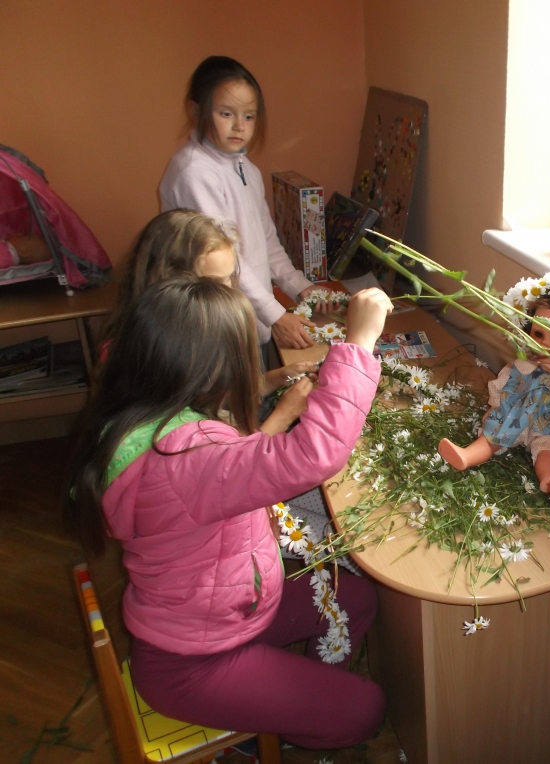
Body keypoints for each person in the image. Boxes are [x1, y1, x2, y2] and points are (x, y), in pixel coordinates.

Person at [64, 276, 393, 750]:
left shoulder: (142, 422)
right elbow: (313, 454)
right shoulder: (185, 455)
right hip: (195, 664)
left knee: (356, 598)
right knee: (365, 709)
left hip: (228, 614)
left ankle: (293, 704)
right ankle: (278, 730)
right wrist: (359, 344)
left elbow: (229, 472)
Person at [159, 55, 327, 362]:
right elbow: (226, 260)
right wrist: (276, 315)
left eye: (249, 116)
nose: (239, 126)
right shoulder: (194, 172)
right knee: (230, 406)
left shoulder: (245, 168)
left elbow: (266, 240)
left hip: (250, 316)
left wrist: (300, 286)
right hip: (213, 327)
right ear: (196, 110)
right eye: (226, 113)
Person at [102, 209, 317, 434]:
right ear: (171, 282)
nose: (229, 292)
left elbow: (214, 395)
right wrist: (282, 416)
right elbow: (231, 463)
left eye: (230, 278)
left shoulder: (198, 334)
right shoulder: (149, 357)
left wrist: (276, 377)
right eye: (213, 282)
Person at [438, 299, 550, 493]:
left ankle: (548, 478)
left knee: (548, 448)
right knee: (494, 433)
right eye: (538, 334)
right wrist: (495, 405)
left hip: (545, 421)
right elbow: (503, 384)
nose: (543, 343)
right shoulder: (522, 364)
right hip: (515, 414)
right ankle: (467, 456)